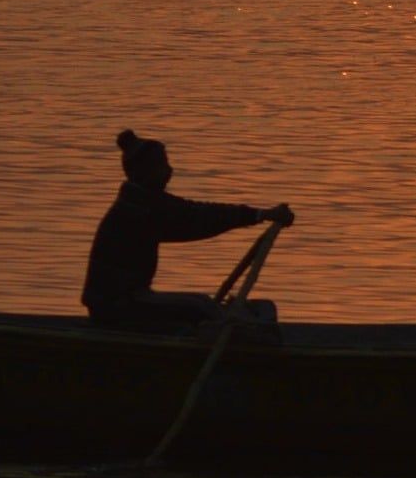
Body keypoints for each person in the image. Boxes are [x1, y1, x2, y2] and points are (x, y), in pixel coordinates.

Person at [82, 129, 294, 330]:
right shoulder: (139, 209)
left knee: (202, 303)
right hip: (116, 306)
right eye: (163, 165)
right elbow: (198, 217)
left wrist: (258, 215)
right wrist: (260, 215)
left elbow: (197, 213)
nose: (170, 171)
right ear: (145, 171)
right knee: (200, 308)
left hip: (127, 299)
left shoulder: (143, 201)